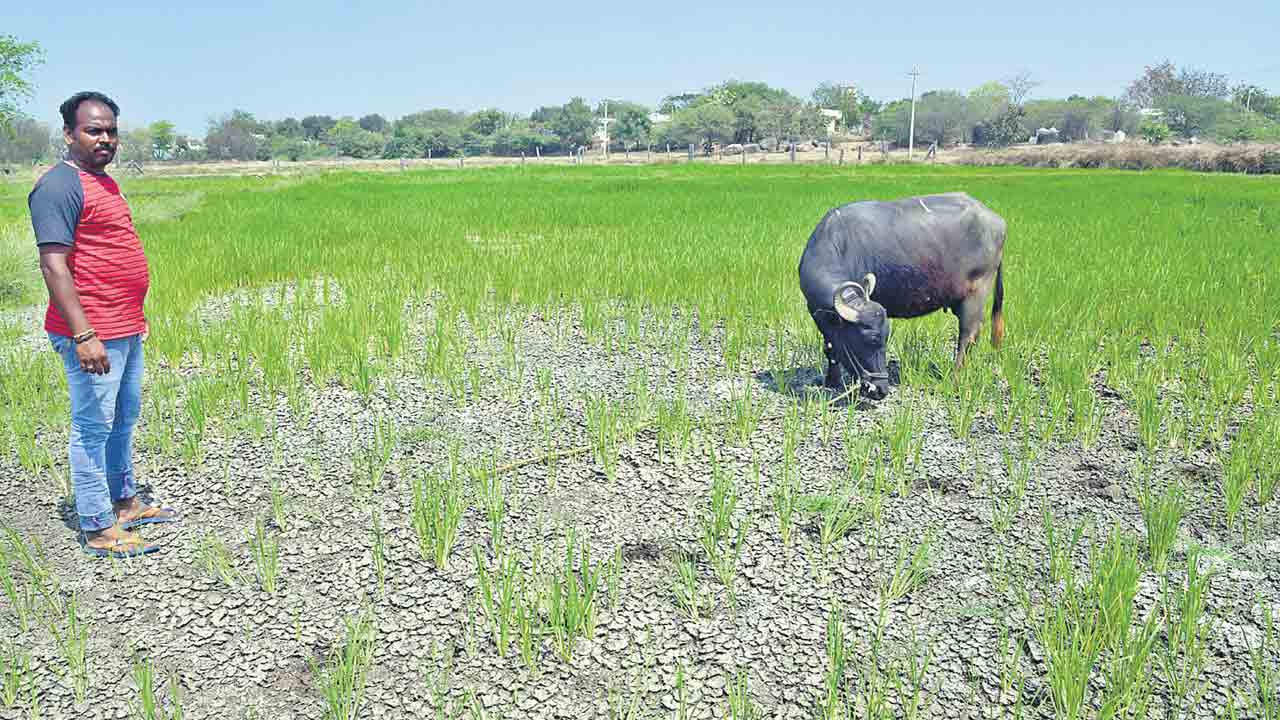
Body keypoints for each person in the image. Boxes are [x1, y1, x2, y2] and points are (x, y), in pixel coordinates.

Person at [29, 90, 179, 558]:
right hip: (91, 332)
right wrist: (84, 334)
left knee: (123, 418)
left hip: (124, 327)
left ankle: (125, 501)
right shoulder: (58, 185)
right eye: (94, 130)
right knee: (93, 426)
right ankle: (97, 526)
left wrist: (135, 317)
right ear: (70, 133)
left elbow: (113, 255)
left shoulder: (104, 182)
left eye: (111, 130)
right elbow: (54, 266)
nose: (105, 139)